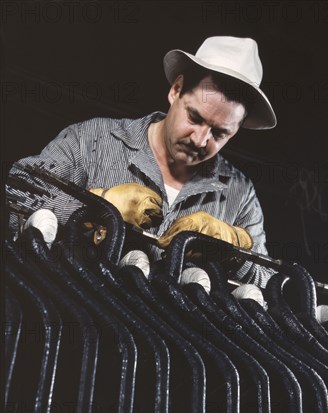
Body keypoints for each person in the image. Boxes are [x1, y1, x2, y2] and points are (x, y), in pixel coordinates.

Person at [7, 36, 277, 286]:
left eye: (219, 133)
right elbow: (16, 190)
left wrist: (234, 247)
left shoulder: (240, 194)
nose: (200, 139)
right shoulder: (91, 139)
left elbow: (269, 285)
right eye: (194, 118)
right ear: (176, 90)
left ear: (236, 130)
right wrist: (97, 205)